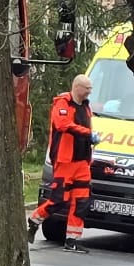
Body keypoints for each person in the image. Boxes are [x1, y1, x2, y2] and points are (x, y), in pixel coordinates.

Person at [29, 72, 93, 251]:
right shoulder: (62, 103)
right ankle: (35, 219)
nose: (89, 92)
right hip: (65, 161)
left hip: (82, 162)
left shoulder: (86, 107)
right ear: (77, 87)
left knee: (81, 202)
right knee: (59, 200)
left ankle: (72, 241)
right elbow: (62, 124)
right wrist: (88, 134)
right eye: (87, 88)